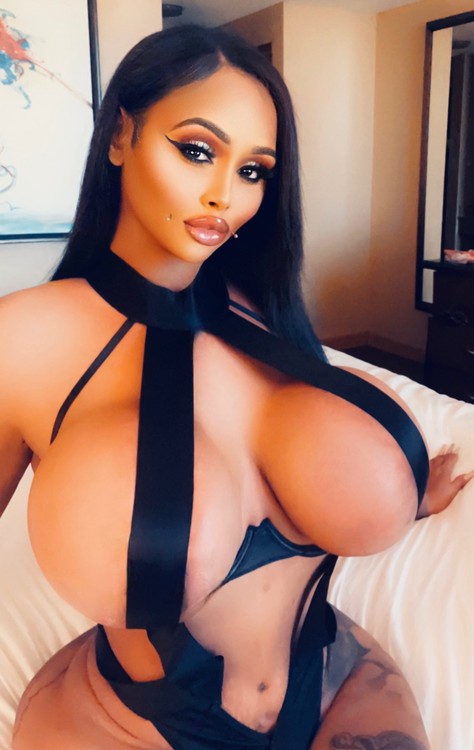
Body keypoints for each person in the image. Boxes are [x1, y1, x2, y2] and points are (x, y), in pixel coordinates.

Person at [0, 24, 471, 750]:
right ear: (120, 135)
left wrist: (404, 493)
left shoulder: (267, 312)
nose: (226, 195)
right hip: (126, 724)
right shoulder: (24, 338)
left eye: (254, 170)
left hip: (333, 680)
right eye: (197, 150)